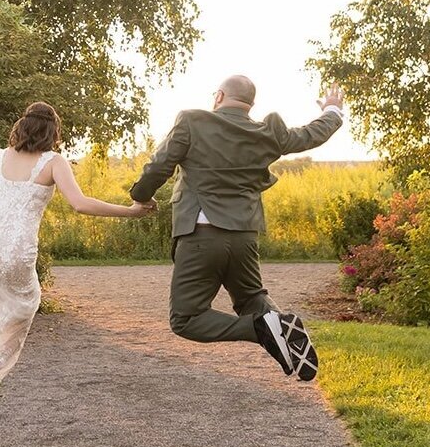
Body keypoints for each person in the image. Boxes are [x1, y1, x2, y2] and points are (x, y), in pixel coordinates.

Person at [0, 101, 156, 435]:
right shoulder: (53, 162)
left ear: (21, 126)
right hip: (15, 249)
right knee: (19, 310)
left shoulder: (1, 157)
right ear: (52, 132)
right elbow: (80, 204)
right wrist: (130, 212)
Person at [129, 76, 345, 380]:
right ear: (250, 105)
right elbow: (310, 135)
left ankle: (264, 328)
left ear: (218, 96)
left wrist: (141, 196)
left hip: (201, 234)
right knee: (251, 299)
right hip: (244, 236)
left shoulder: (191, 121)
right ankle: (279, 327)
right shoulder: (267, 132)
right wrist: (333, 111)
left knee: (186, 319)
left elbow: (160, 165)